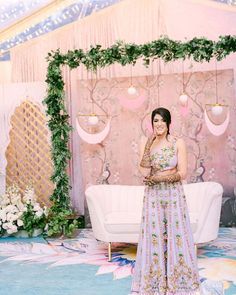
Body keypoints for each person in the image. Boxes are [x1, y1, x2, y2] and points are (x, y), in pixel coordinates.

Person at [130, 107, 200, 295]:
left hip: (172, 194)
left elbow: (183, 173)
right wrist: (147, 146)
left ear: (169, 123)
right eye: (155, 121)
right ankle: (156, 279)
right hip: (153, 196)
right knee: (155, 235)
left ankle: (178, 280)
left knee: (175, 234)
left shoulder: (178, 142)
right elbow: (144, 172)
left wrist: (160, 178)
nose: (159, 124)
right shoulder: (147, 142)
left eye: (162, 120)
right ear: (151, 124)